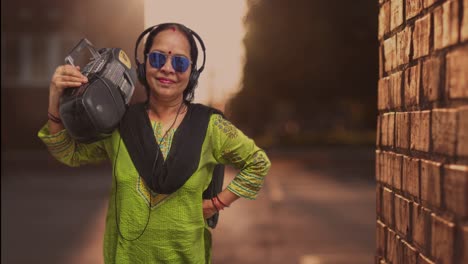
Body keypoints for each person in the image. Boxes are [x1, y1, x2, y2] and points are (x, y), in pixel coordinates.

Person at [38, 22, 271, 263]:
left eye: (180, 62)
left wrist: (216, 203)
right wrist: (55, 97)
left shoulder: (210, 126)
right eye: (158, 58)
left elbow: (257, 162)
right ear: (144, 64)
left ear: (192, 71)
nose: (168, 69)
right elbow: (67, 152)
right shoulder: (119, 122)